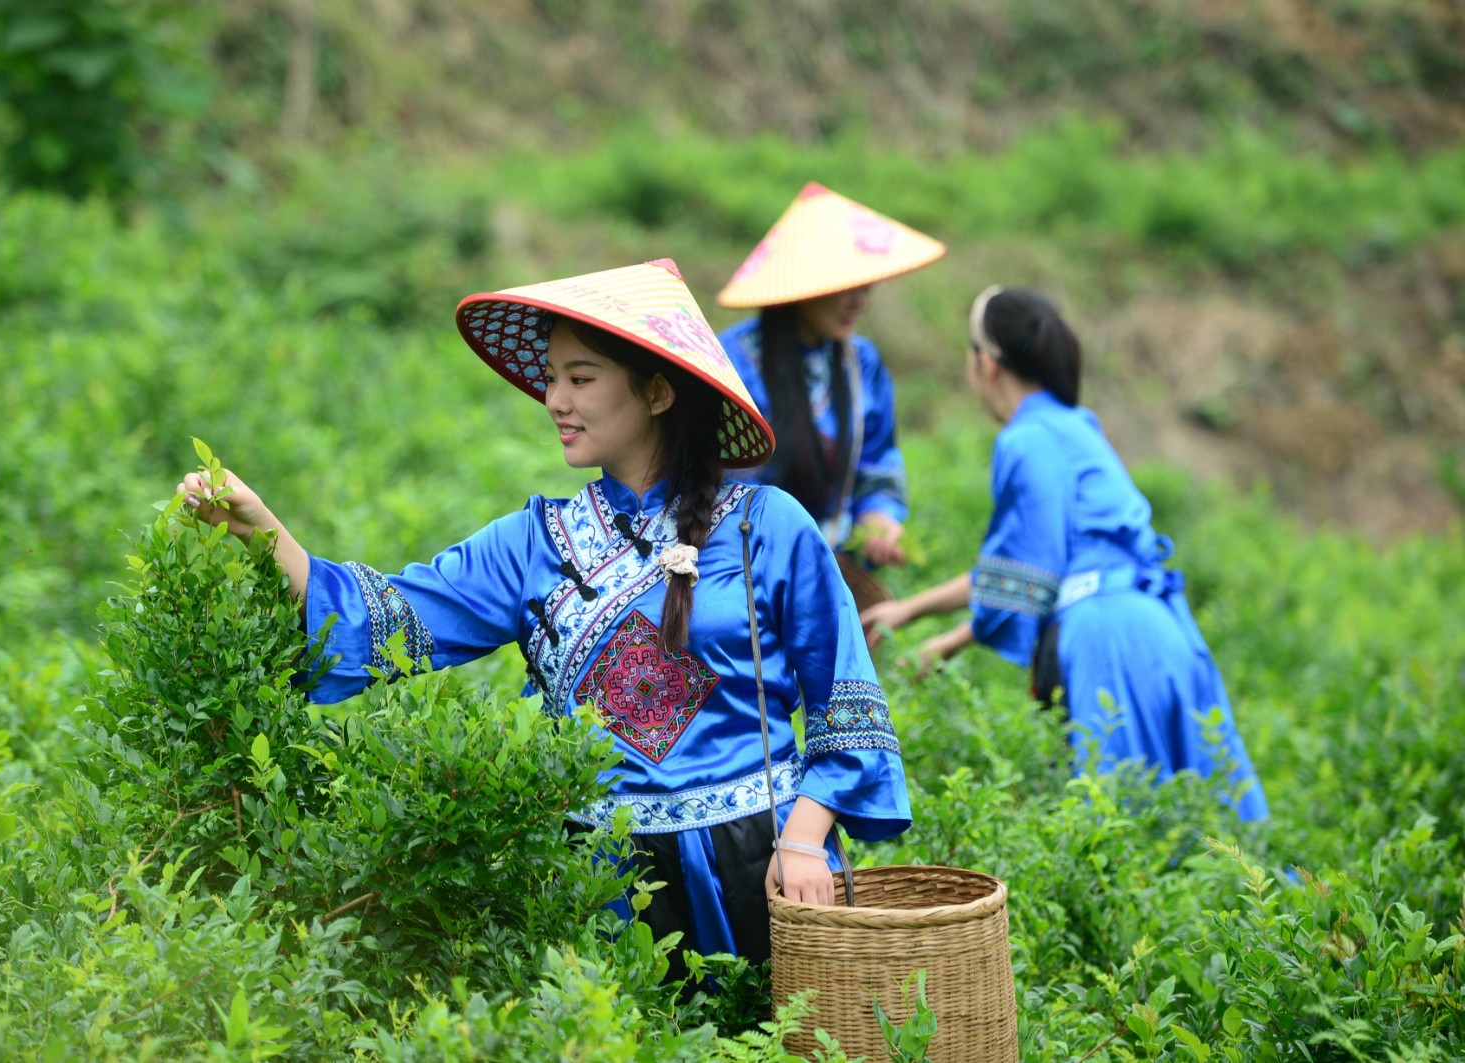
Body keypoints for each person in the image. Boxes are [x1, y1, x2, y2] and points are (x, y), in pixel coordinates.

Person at [179, 259, 912, 977]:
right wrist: (266, 532)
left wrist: (806, 842)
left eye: (580, 377)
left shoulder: (768, 526)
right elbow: (392, 621)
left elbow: (846, 702)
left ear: (657, 391)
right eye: (552, 378)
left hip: (762, 866)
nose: (555, 399)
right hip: (602, 882)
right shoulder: (532, 543)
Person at [860, 286, 1268, 822]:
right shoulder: (1076, 425)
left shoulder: (1024, 440)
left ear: (985, 362)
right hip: (1160, 628)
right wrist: (919, 618)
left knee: (1117, 827)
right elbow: (1033, 569)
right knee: (1205, 822)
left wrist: (942, 641)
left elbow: (1029, 573)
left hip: (1106, 641)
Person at [714, 182, 945, 594]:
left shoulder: (862, 364)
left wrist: (878, 517)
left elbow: (877, 460)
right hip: (743, 572)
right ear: (803, 284)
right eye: (845, 284)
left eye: (866, 283)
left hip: (831, 567)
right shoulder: (732, 363)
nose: (860, 299)